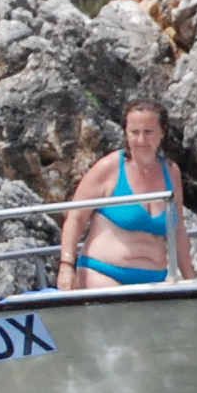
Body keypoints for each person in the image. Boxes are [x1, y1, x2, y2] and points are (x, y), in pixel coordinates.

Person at [58, 98, 182, 291]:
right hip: (104, 273)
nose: (141, 140)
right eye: (135, 132)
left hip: (156, 279)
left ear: (162, 133)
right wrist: (66, 266)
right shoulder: (109, 168)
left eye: (148, 132)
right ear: (126, 132)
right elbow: (76, 217)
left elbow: (179, 229)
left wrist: (192, 278)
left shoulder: (171, 172)